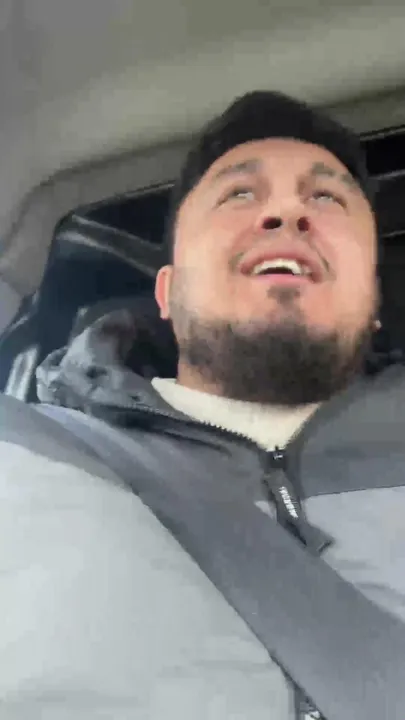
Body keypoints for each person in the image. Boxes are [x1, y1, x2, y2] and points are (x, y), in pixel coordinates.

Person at [1, 90, 404, 720]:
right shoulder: (18, 450)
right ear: (167, 292)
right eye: (239, 193)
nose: (286, 213)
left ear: (374, 300)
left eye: (327, 198)